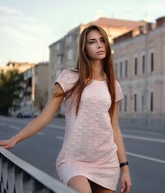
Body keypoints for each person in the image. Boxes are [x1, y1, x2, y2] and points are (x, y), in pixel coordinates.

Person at [0, 24, 132, 193]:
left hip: (106, 162)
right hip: (74, 160)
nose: (99, 45)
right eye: (92, 42)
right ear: (84, 49)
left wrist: (125, 169)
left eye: (102, 41)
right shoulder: (70, 77)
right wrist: (15, 139)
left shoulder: (113, 85)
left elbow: (115, 129)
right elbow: (45, 117)